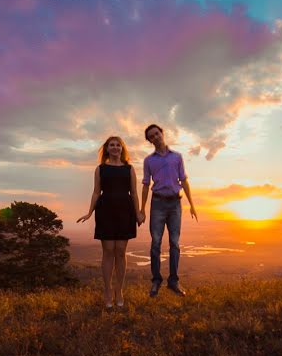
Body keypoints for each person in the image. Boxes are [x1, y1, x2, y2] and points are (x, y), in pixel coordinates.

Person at [77, 136, 144, 308]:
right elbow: (96, 192)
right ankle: (107, 291)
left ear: (122, 149)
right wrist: (89, 212)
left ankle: (119, 291)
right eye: (111, 145)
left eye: (118, 145)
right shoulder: (100, 169)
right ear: (107, 149)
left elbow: (134, 193)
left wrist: (138, 213)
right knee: (108, 251)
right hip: (105, 210)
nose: (115, 148)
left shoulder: (129, 169)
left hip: (125, 210)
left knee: (121, 251)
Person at [138, 124, 197, 297]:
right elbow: (145, 185)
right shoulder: (149, 161)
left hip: (175, 205)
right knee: (155, 243)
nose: (155, 137)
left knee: (174, 243)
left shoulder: (177, 157)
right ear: (149, 141)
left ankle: (174, 281)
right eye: (151, 136)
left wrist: (192, 205)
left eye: (157, 134)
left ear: (162, 133)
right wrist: (142, 209)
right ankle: (156, 281)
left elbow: (184, 181)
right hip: (157, 203)